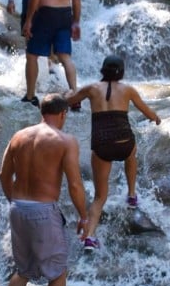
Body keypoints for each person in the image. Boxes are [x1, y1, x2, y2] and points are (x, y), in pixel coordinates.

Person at [0, 93, 90, 286]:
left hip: (18, 208)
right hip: (43, 211)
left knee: (23, 271)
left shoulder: (19, 136)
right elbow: (75, 185)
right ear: (63, 114)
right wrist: (83, 216)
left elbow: (3, 175)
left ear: (42, 112)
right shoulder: (65, 141)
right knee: (58, 272)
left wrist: (15, 202)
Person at [66, 55, 161, 250]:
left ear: (102, 70)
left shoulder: (91, 89)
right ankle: (132, 194)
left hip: (102, 146)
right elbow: (148, 113)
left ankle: (90, 238)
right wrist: (156, 118)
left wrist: (68, 94)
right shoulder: (128, 90)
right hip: (124, 141)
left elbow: (69, 101)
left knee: (100, 197)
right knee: (131, 153)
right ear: (122, 71)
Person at [21, 0, 81, 106]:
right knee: (64, 56)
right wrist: (76, 21)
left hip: (46, 13)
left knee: (32, 55)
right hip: (65, 14)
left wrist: (29, 20)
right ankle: (74, 94)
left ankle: (30, 95)